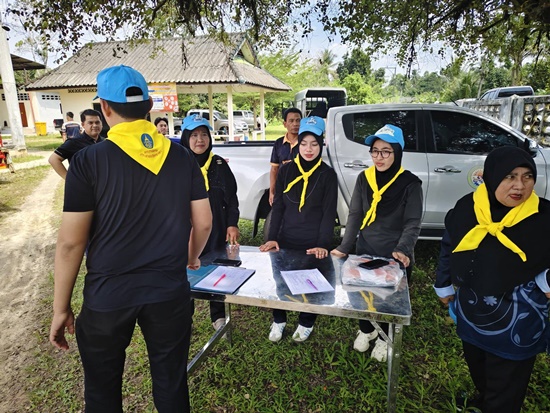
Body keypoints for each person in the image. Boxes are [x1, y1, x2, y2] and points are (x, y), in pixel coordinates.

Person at [48, 64, 212, 413]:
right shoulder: (182, 157)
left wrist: (61, 308)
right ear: (149, 105)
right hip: (168, 293)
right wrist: (190, 257)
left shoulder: (87, 161)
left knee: (102, 392)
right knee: (171, 385)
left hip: (108, 296)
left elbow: (71, 243)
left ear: (104, 108)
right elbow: (204, 223)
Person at [434, 146, 550, 413]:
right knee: (478, 365)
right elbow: (449, 246)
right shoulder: (468, 207)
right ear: (492, 176)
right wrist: (443, 284)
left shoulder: (543, 217)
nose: (519, 185)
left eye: (527, 176)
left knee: (507, 383)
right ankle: (485, 398)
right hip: (473, 313)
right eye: (510, 176)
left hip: (518, 324)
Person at [331, 124, 423, 361]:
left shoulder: (410, 184)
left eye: (386, 151)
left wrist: (403, 249)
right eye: (375, 151)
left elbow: (412, 222)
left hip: (394, 254)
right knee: (360, 294)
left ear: (397, 152)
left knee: (389, 301)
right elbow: (355, 214)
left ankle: (385, 338)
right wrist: (344, 247)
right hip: (366, 249)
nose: (379, 157)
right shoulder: (365, 178)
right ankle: (367, 330)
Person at [260, 116, 338, 342]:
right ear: (298, 144)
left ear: (321, 145)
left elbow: (328, 213)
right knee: (280, 281)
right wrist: (272, 237)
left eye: (314, 144)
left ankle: (306, 322)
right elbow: (278, 207)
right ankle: (279, 319)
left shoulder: (327, 175)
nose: (308, 149)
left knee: (312, 285)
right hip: (286, 238)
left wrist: (323, 244)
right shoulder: (286, 170)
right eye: (304, 143)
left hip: (313, 242)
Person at [179, 114, 240, 331]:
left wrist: (232, 223)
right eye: (194, 135)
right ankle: (184, 317)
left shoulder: (219, 164)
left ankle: (218, 315)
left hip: (217, 230)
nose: (200, 140)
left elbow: (231, 198)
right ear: (185, 137)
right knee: (186, 271)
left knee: (217, 271)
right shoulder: (178, 165)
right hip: (187, 231)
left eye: (204, 134)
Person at [49, 109, 104, 179]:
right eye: (90, 123)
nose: (95, 125)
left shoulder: (104, 142)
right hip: (84, 184)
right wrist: (69, 179)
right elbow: (53, 159)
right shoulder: (74, 142)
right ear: (83, 125)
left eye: (97, 122)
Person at [268, 108, 302, 205]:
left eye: (298, 120)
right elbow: (274, 169)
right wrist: (272, 192)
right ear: (285, 124)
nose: (295, 124)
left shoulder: (306, 142)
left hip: (302, 189)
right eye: (291, 121)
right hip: (283, 189)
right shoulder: (279, 143)